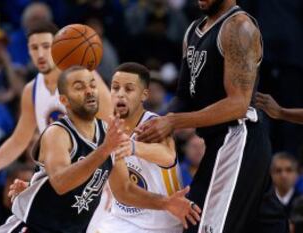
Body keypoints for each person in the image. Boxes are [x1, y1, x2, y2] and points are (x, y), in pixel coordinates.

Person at [135, 0, 288, 232]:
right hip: (220, 142)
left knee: (199, 223)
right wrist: (148, 122)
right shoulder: (193, 30)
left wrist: (174, 122)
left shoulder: (239, 27)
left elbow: (238, 104)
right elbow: (183, 97)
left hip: (239, 138)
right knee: (264, 224)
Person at [0, 66, 200, 233]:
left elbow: (125, 190)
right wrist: (105, 150)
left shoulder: (108, 133)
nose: (89, 91)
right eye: (79, 87)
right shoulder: (57, 133)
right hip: (33, 228)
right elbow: (60, 182)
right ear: (64, 100)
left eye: (92, 85)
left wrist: (166, 203)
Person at [0, 20, 112, 193]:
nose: (40, 54)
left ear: (58, 47)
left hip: (97, 179)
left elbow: (112, 128)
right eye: (34, 48)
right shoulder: (31, 90)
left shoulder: (85, 79)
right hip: (61, 180)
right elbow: (19, 141)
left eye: (46, 46)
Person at [95, 62, 183, 233]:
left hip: (162, 224)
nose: (120, 94)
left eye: (129, 89)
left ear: (144, 95)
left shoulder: (154, 124)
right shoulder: (108, 127)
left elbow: (168, 155)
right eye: (115, 88)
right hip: (119, 220)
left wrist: (134, 147)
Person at [271, 152, 301, 217]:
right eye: (278, 170)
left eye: (289, 170)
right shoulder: (263, 203)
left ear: (297, 174)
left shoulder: (301, 202)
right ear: (271, 174)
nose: (283, 175)